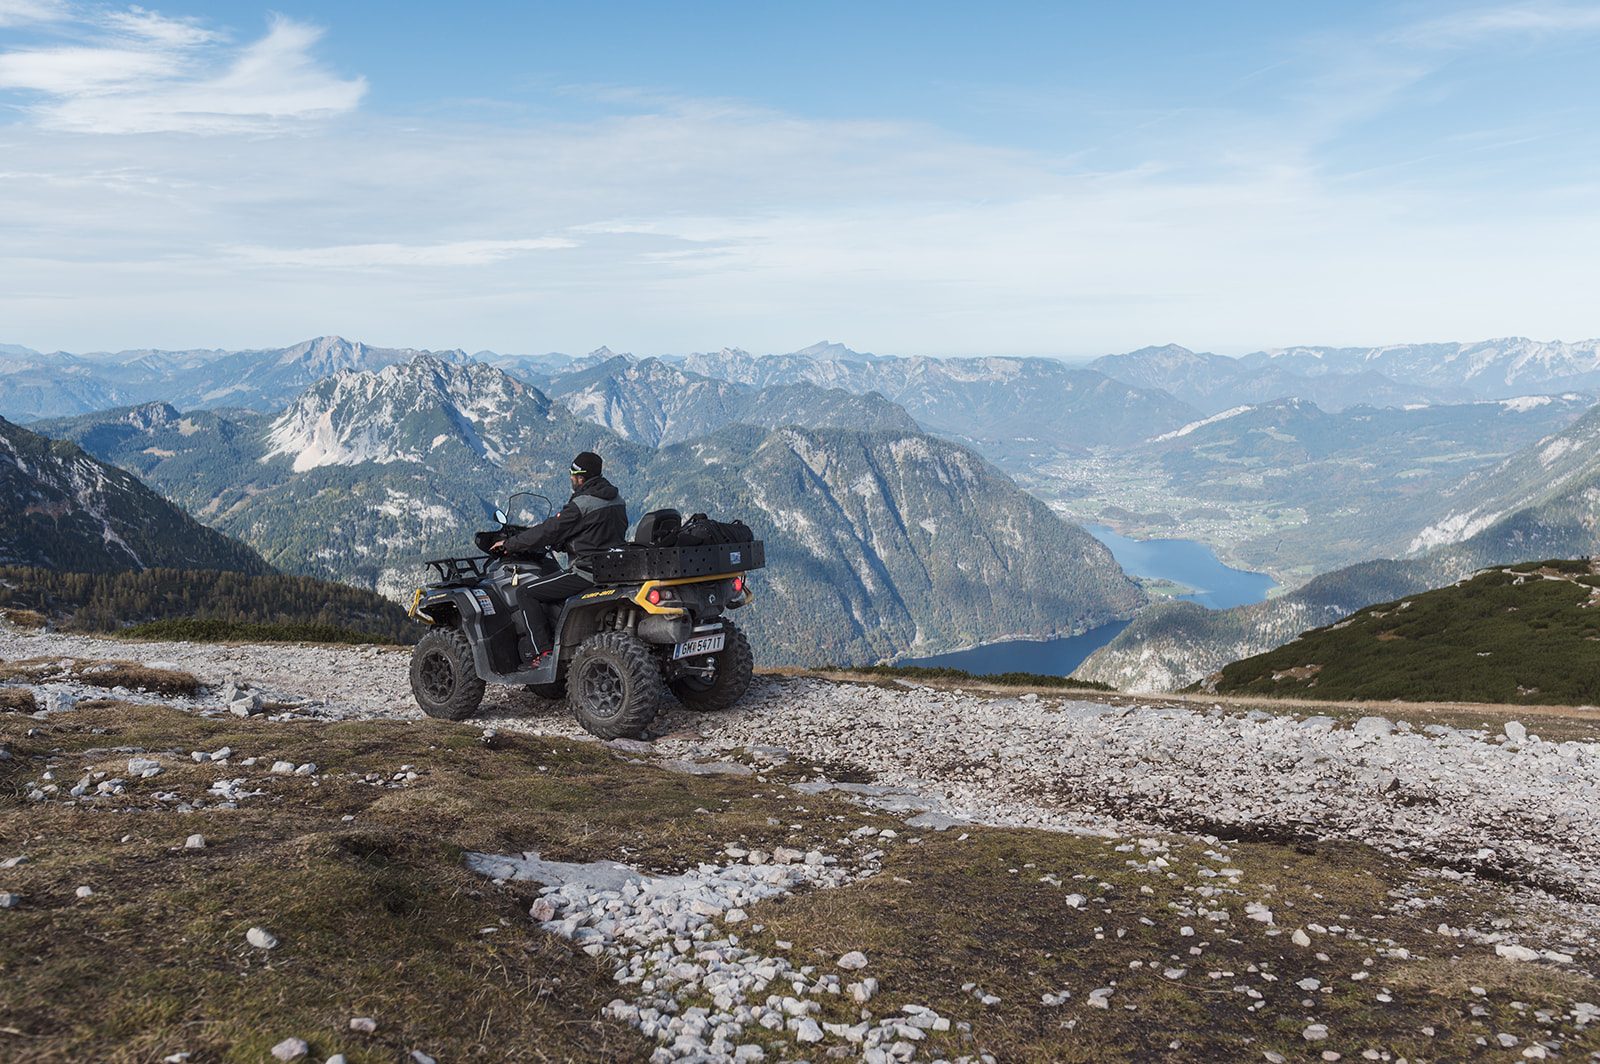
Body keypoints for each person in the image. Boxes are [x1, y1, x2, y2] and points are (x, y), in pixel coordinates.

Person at [491, 451, 628, 663]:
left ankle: (542, 653)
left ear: (581, 477)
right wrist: (566, 543)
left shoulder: (582, 504)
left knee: (526, 593)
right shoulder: (616, 499)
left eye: (573, 475)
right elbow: (600, 533)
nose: (571, 479)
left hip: (586, 572)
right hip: (613, 567)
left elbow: (549, 530)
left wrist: (510, 544)